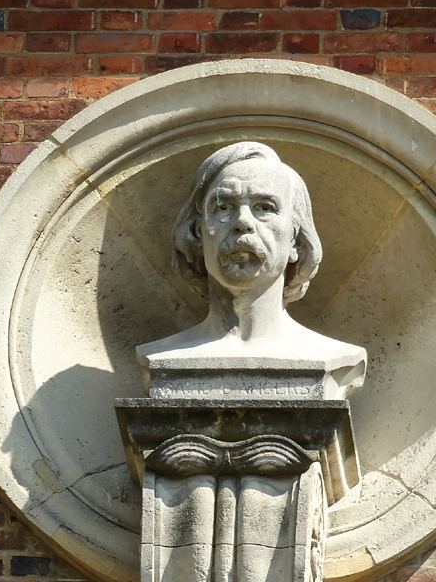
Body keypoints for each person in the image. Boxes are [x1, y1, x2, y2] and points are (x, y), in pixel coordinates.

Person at [137, 141, 366, 399]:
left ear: (296, 240)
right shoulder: (160, 359)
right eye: (223, 207)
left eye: (265, 207)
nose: (243, 221)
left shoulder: (333, 359)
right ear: (197, 233)